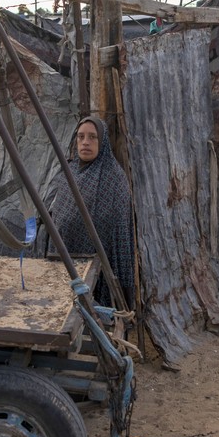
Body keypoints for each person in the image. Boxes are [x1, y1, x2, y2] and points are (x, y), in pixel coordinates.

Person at [48, 116, 136, 309]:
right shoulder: (67, 174)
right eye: (80, 137)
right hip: (66, 260)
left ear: (102, 141)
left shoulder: (115, 178)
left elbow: (119, 231)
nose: (85, 142)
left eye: (92, 137)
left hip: (101, 267)